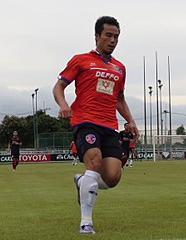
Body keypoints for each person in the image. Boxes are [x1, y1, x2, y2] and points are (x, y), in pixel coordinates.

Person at [53, 16, 139, 234]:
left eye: (116, 37)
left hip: (109, 126)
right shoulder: (81, 60)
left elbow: (119, 99)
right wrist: (63, 104)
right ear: (97, 36)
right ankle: (86, 222)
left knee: (112, 177)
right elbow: (59, 86)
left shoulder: (120, 68)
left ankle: (82, 181)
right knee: (94, 162)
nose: (113, 40)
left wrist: (130, 121)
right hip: (85, 121)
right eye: (108, 35)